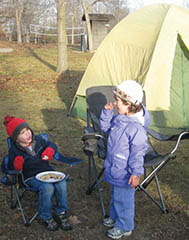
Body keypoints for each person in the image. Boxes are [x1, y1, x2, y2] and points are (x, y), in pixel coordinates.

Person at [100, 80, 150, 239]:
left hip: (126, 172)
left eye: (118, 101)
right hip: (115, 166)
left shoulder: (136, 129)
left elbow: (137, 154)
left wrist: (136, 173)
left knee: (125, 201)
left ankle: (125, 226)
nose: (115, 103)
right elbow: (105, 128)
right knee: (116, 197)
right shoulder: (120, 118)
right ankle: (115, 218)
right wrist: (107, 113)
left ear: (129, 104)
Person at [3, 115, 72, 232]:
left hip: (47, 171)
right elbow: (10, 167)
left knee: (62, 182)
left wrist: (51, 149)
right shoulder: (14, 150)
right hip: (30, 177)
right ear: (16, 139)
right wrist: (16, 164)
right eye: (22, 133)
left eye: (27, 130)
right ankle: (45, 216)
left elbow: (52, 144)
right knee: (48, 188)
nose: (28, 134)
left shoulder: (39, 141)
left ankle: (61, 211)